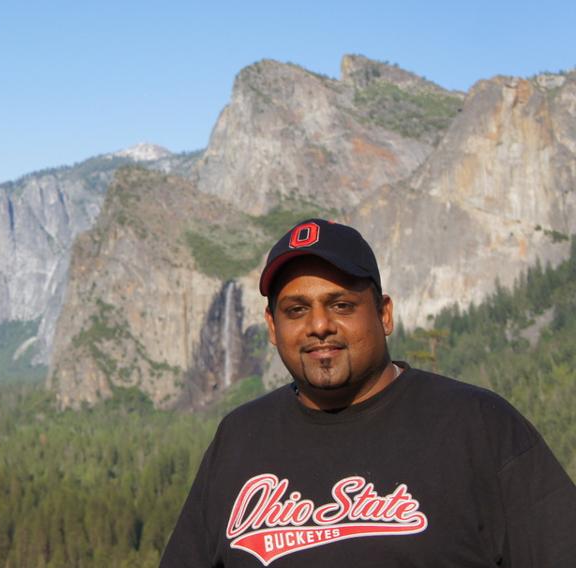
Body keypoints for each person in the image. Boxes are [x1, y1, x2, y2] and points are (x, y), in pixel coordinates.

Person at [159, 218, 576, 567]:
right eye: (296, 310)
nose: (319, 325)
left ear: (384, 313)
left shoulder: (478, 424)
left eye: (341, 305)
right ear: (272, 327)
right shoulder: (238, 439)